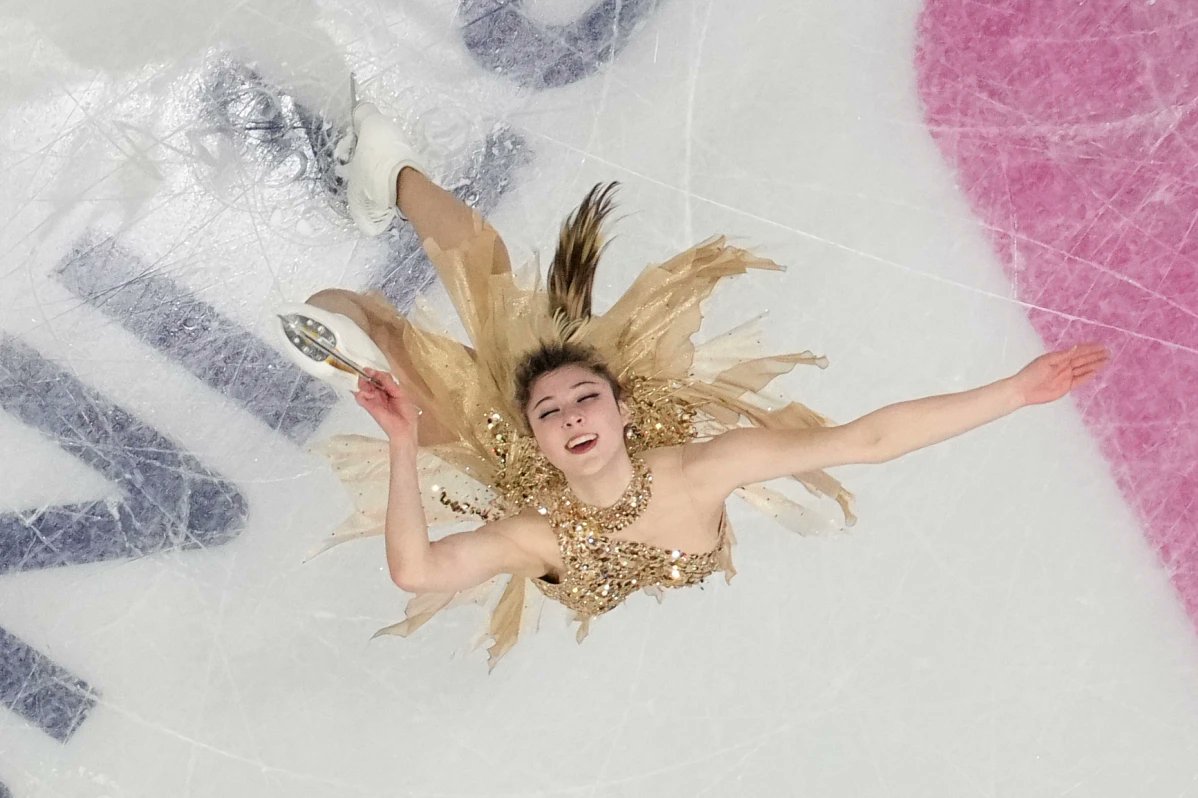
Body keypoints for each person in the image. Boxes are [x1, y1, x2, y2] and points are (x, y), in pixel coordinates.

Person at [282, 94, 1110, 669]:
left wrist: (1014, 391)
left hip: (568, 480)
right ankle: (389, 171)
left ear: (621, 408)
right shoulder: (539, 532)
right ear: (533, 431)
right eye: (553, 412)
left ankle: (388, 299)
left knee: (431, 378)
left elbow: (866, 441)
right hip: (516, 476)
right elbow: (417, 572)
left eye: (583, 400)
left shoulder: (700, 469)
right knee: (477, 284)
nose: (572, 417)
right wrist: (399, 446)